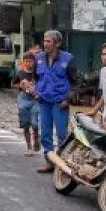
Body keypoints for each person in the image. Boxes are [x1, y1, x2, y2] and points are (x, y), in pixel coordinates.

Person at [34, 30, 77, 174]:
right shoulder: (38, 58)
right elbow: (36, 78)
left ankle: (63, 165)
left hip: (60, 102)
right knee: (45, 134)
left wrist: (68, 99)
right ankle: (50, 162)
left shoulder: (68, 59)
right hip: (44, 101)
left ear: (57, 43)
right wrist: (35, 91)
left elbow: (76, 82)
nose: (45, 44)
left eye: (48, 41)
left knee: (62, 134)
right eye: (44, 41)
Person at [14, 53, 41, 155]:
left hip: (35, 100)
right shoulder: (20, 73)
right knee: (25, 124)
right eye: (26, 61)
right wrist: (21, 86)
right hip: (23, 99)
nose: (28, 63)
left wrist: (37, 89)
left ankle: (36, 140)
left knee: (35, 123)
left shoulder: (38, 74)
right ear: (23, 62)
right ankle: (29, 147)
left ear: (34, 62)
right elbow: (13, 84)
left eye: (30, 61)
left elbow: (43, 84)